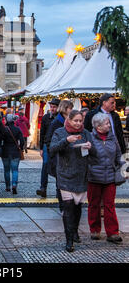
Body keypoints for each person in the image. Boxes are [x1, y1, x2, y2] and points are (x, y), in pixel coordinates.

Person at [50, 110, 95, 252]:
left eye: (80, 121)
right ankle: (69, 240)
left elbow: (95, 153)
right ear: (69, 120)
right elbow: (52, 149)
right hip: (65, 174)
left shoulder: (86, 133)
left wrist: (90, 147)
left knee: (77, 207)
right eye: (75, 120)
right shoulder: (60, 132)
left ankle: (74, 230)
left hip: (81, 174)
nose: (78, 123)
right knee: (68, 208)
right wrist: (66, 141)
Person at [87, 112, 125, 244]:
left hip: (110, 176)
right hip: (93, 176)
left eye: (109, 123)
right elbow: (84, 157)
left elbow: (119, 155)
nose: (109, 125)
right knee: (94, 205)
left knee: (110, 205)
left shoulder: (112, 138)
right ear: (98, 126)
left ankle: (113, 232)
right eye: (107, 123)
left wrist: (124, 168)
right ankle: (95, 230)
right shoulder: (90, 138)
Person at [46, 99, 74, 211]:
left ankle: (67, 205)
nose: (72, 111)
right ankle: (63, 206)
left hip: (68, 158)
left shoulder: (68, 121)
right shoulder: (57, 123)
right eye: (71, 108)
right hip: (59, 158)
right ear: (65, 109)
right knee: (60, 183)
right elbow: (49, 141)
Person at [36, 98, 60, 198]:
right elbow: (42, 133)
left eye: (54, 107)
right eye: (51, 107)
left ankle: (59, 190)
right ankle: (43, 188)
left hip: (58, 144)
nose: (52, 109)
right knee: (45, 165)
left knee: (59, 166)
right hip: (47, 144)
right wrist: (41, 148)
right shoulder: (46, 117)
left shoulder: (61, 118)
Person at [1, 113, 25, 194]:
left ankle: (8, 187)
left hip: (5, 151)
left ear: (7, 120)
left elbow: (0, 140)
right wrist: (21, 148)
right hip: (15, 152)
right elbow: (22, 141)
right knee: (15, 170)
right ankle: (14, 185)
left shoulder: (4, 129)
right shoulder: (17, 129)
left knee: (6, 170)